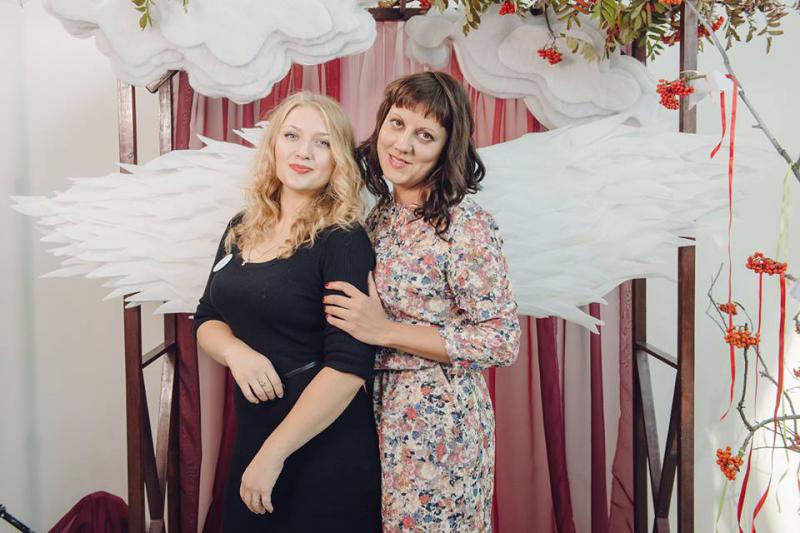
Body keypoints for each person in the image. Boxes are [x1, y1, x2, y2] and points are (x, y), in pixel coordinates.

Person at [324, 71, 521, 531]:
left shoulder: (464, 224)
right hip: (374, 410)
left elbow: (502, 339)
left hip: (438, 420)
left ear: (446, 149)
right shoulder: (383, 215)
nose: (404, 145)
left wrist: (384, 331)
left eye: (425, 135)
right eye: (397, 124)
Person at [194, 91, 381, 532]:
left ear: (338, 159)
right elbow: (206, 316)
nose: (304, 152)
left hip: (322, 446)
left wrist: (273, 454)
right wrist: (236, 352)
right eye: (292, 136)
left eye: (322, 142)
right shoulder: (242, 226)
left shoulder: (343, 239)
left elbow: (348, 367)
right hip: (255, 434)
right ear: (274, 144)